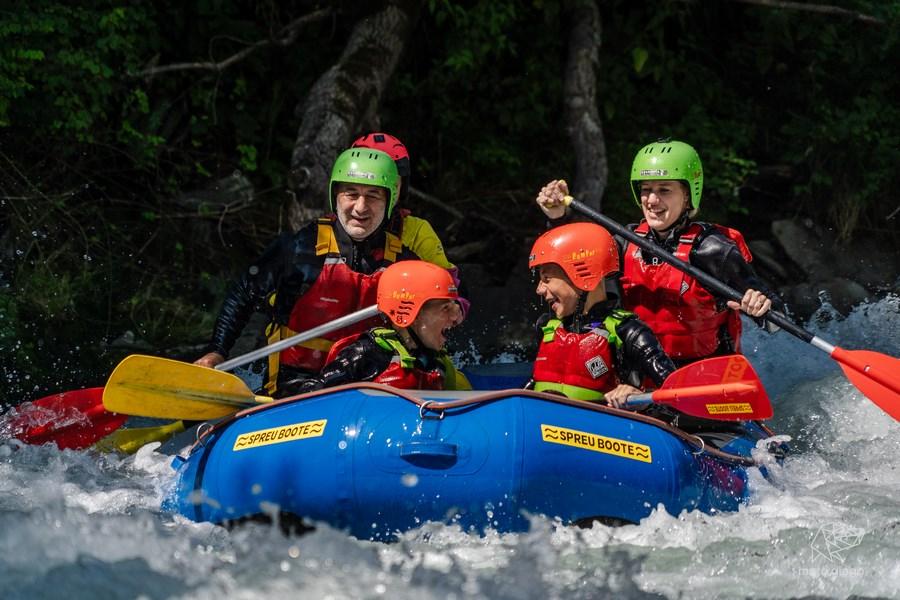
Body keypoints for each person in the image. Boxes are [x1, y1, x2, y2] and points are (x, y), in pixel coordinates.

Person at [195, 143, 461, 396]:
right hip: (293, 391)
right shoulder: (300, 250)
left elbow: (432, 321)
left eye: (373, 195)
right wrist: (217, 350)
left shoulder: (402, 264)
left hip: (364, 392)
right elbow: (244, 292)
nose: (360, 207)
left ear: (389, 201)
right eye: (351, 194)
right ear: (336, 197)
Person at [535, 139, 783, 365]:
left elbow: (777, 320)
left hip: (705, 373)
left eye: (664, 190)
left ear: (687, 196)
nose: (652, 200)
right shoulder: (625, 242)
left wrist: (761, 308)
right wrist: (557, 218)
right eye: (646, 190)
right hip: (640, 370)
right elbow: (572, 264)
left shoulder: (714, 250)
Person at [527, 222, 676, 407]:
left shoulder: (629, 332)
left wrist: (640, 397)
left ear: (583, 276)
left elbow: (675, 396)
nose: (539, 289)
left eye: (546, 279)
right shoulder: (546, 327)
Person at [296, 260, 470, 392]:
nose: (456, 318)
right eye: (445, 309)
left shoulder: (437, 363)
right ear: (413, 314)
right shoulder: (367, 353)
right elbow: (314, 395)